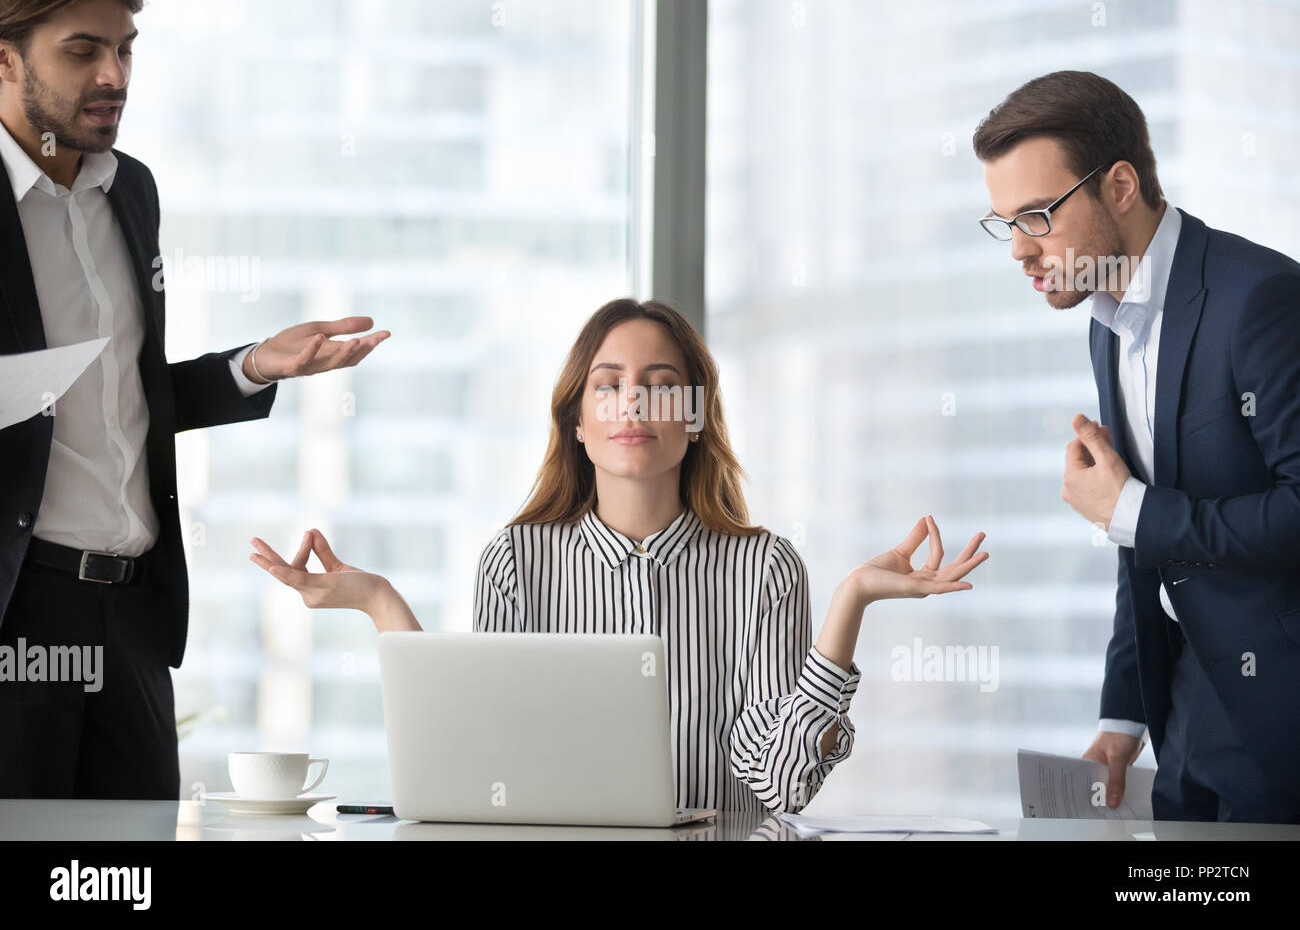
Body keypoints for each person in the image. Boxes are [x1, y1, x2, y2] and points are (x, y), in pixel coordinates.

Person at [251, 297, 989, 814]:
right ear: (578, 421)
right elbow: (480, 757)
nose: (633, 404)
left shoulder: (764, 569)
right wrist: (381, 602)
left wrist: (850, 601)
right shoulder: (516, 560)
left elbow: (783, 783)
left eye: (661, 387)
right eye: (608, 387)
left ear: (693, 421)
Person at [0, 0, 389, 799]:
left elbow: (116, 394)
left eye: (125, 49)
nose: (115, 76)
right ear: (5, 60)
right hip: (17, 615)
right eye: (83, 52)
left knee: (130, 877)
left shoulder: (129, 190)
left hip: (133, 620)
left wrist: (252, 369)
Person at [974, 70, 1300, 822]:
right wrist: (1124, 716)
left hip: (1283, 732)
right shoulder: (1107, 322)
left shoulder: (1260, 301)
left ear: (1119, 185)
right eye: (1004, 224)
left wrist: (1133, 510)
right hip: (1185, 728)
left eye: (1036, 216)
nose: (1020, 252)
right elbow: (1140, 543)